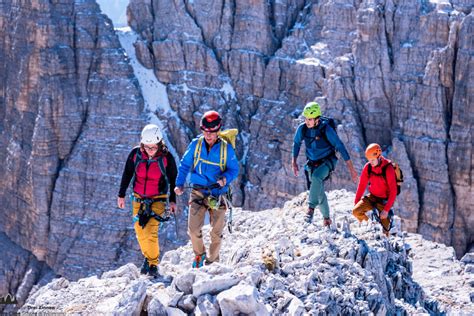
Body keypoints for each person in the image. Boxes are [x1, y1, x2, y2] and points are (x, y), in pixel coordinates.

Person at [174, 110, 239, 268]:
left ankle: (212, 262)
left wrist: (225, 179)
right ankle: (199, 255)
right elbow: (184, 164)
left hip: (218, 194)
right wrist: (179, 183)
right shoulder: (196, 145)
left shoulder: (226, 149)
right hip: (198, 191)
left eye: (212, 132)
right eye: (205, 132)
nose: (208, 135)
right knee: (193, 228)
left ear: (218, 131)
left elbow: (234, 169)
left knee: (216, 233)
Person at [117, 124, 177, 277]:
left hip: (158, 199)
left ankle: (153, 264)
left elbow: (173, 179)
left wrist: (172, 200)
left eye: (153, 147)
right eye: (147, 147)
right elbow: (127, 173)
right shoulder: (135, 155)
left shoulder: (167, 158)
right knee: (139, 231)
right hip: (138, 199)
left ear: (159, 144)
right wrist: (121, 194)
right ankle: (148, 258)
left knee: (150, 231)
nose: (150, 150)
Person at [292, 101, 358, 226]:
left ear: (317, 119)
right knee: (318, 190)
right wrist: (293, 161)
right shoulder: (303, 128)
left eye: (310, 119)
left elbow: (340, 146)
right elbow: (296, 143)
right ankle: (327, 219)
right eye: (306, 118)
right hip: (312, 163)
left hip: (327, 162)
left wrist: (351, 169)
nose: (307, 121)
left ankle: (310, 209)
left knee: (316, 178)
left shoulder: (326, 129)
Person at [353, 143, 397, 237]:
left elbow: (394, 191)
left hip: (384, 201)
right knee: (356, 211)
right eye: (369, 160)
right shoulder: (368, 167)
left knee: (385, 231)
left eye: (372, 160)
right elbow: (361, 185)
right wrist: (356, 201)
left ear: (379, 156)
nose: (371, 162)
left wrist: (386, 210)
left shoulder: (388, 169)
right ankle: (371, 225)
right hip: (372, 197)